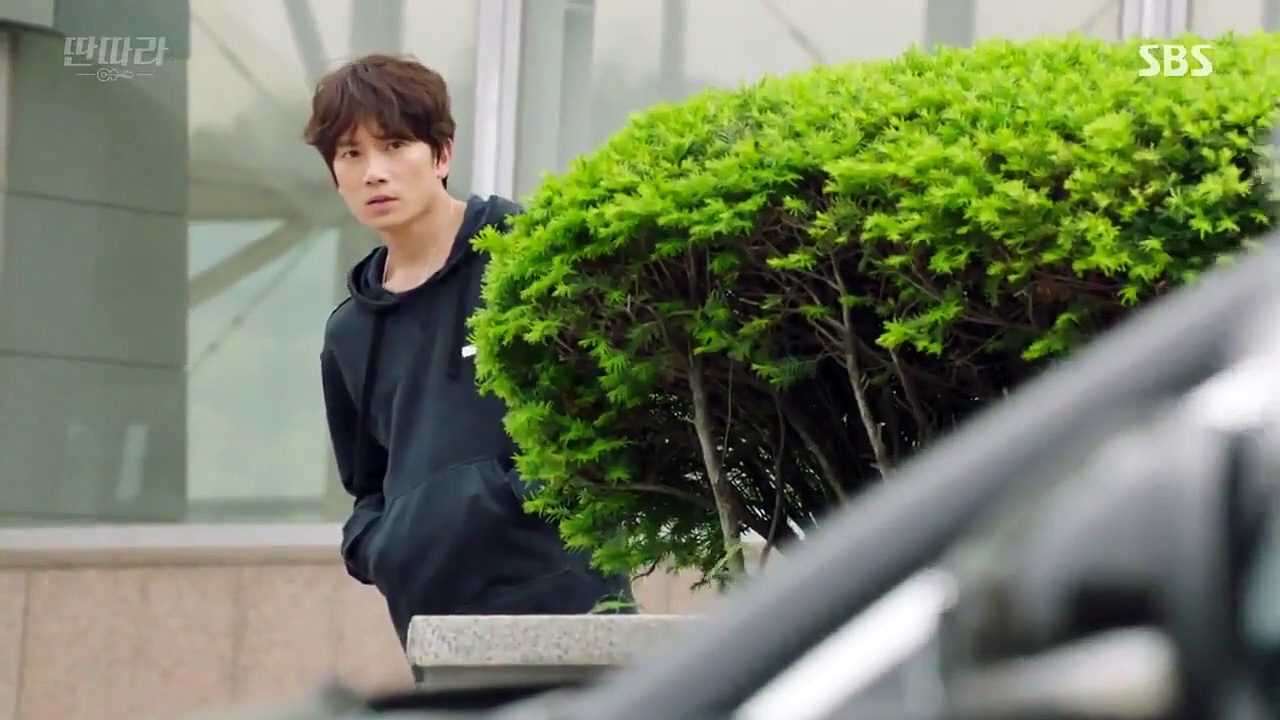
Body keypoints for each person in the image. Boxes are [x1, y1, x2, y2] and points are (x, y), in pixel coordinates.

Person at [303, 54, 634, 648]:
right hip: (434, 627)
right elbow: (367, 484)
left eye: (395, 145)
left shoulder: (526, 258)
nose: (374, 172)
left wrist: (506, 502)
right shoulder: (349, 334)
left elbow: (606, 407)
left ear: (442, 155)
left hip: (569, 604)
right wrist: (382, 547)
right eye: (351, 154)